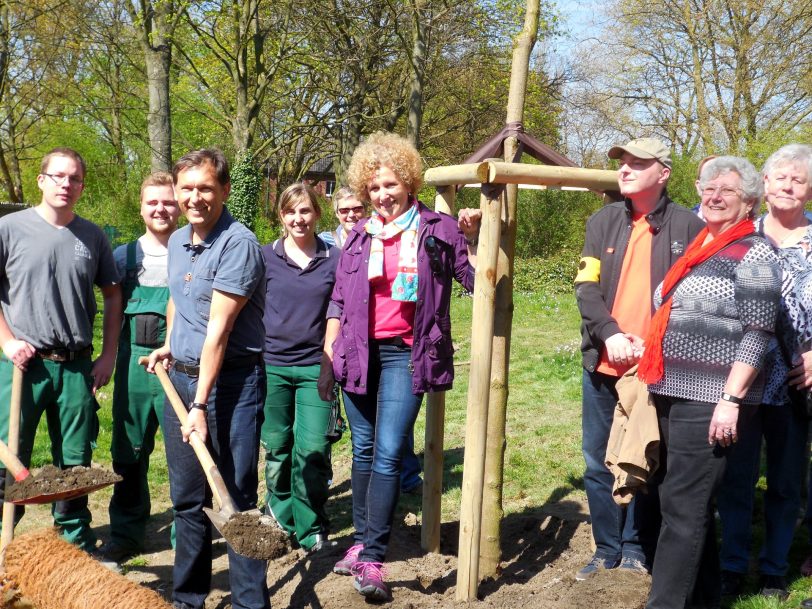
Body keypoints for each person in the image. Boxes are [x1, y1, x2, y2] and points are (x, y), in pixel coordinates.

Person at [318, 131, 478, 601]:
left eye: (390, 185)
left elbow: (474, 280)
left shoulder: (436, 229)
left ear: (408, 181)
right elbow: (339, 301)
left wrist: (475, 235)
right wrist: (330, 356)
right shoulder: (357, 238)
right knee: (364, 452)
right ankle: (362, 542)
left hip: (406, 354)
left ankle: (372, 558)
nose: (383, 196)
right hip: (358, 354)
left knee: (389, 452)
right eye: (373, 189)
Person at [639, 156, 781, 609]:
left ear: (750, 202)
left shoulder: (756, 252)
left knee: (684, 508)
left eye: (727, 191)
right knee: (681, 505)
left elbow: (760, 332)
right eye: (708, 187)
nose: (714, 197)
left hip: (712, 398)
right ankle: (701, 601)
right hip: (671, 391)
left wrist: (731, 400)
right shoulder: (703, 243)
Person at [574, 137, 704, 579]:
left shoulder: (688, 226)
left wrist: (657, 345)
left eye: (637, 163)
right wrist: (609, 335)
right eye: (622, 162)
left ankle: (636, 548)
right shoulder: (602, 221)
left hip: (657, 367)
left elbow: (694, 299)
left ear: (663, 172)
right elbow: (586, 288)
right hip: (604, 362)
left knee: (648, 457)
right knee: (596, 458)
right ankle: (605, 548)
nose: (625, 169)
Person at [146, 149, 269, 609]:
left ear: (224, 191)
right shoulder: (178, 241)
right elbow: (180, 297)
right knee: (187, 499)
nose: (194, 198)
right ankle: (188, 599)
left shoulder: (239, 243)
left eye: (205, 188)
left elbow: (219, 330)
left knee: (235, 501)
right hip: (180, 379)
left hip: (230, 387)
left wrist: (199, 407)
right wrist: (171, 344)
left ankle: (249, 604)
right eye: (187, 189)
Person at [0, 147, 122, 550]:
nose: (66, 184)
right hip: (22, 365)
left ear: (82, 186)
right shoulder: (10, 228)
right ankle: (3, 540)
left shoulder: (92, 235)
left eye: (74, 179)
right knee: (9, 457)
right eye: (58, 176)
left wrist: (108, 355)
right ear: (41, 180)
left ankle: (74, 543)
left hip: (75, 367)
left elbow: (112, 294)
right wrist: (7, 341)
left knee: (75, 463)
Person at [717, 144, 812, 599]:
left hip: (798, 382)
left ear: (810, 191)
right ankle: (732, 564)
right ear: (766, 185)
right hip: (743, 378)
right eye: (781, 177)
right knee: (736, 478)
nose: (789, 185)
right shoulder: (737, 235)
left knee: (786, 480)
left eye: (799, 179)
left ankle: (775, 567)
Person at [319, 186, 424, 494]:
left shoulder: (383, 235)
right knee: (359, 436)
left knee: (394, 427)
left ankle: (406, 476)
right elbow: (336, 298)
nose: (351, 215)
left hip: (393, 342)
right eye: (343, 210)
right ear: (336, 213)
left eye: (356, 209)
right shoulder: (331, 243)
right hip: (347, 338)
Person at [99, 172, 180, 565]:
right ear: (141, 206)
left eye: (168, 201)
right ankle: (126, 533)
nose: (161, 209)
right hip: (134, 362)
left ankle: (188, 536)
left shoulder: (192, 250)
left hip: (181, 362)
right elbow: (111, 313)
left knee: (186, 452)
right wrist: (107, 357)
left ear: (179, 205)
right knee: (128, 452)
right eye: (153, 202)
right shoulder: (123, 256)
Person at [261, 182, 339, 552]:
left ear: (316, 214)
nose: (298, 218)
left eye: (305, 210)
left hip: (315, 369)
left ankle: (310, 527)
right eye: (291, 211)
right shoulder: (265, 258)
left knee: (313, 450)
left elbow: (340, 312)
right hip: (272, 366)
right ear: (281, 216)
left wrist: (330, 364)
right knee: (277, 448)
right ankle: (281, 519)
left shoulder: (334, 259)